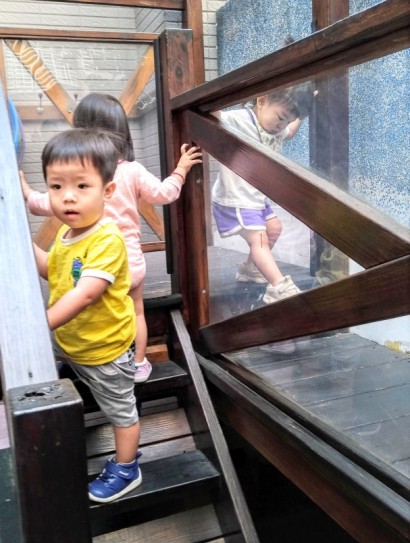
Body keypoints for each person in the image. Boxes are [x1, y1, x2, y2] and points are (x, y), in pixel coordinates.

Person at [21, 92, 202, 383]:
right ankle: (139, 363)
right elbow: (165, 193)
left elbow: (45, 204)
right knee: (136, 312)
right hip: (129, 263)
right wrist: (181, 169)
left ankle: (83, 358)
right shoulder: (132, 171)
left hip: (89, 262)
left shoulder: (83, 176)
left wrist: (27, 192)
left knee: (86, 307)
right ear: (122, 131)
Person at [32, 127, 142, 503]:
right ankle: (71, 369)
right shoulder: (67, 233)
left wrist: (39, 325)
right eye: (56, 186)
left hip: (105, 350)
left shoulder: (107, 238)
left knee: (121, 412)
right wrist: (23, 245)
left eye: (81, 186)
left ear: (107, 191)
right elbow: (53, 271)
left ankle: (127, 467)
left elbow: (85, 294)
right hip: (74, 343)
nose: (68, 196)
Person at [212, 82, 316, 308]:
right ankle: (279, 287)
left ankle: (250, 269)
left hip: (257, 198)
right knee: (258, 240)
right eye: (280, 118)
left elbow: (290, 132)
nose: (281, 126)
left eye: (286, 121)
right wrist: (224, 91)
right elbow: (214, 114)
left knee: (274, 229)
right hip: (236, 197)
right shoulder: (241, 119)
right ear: (261, 101)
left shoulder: (276, 129)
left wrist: (305, 108)